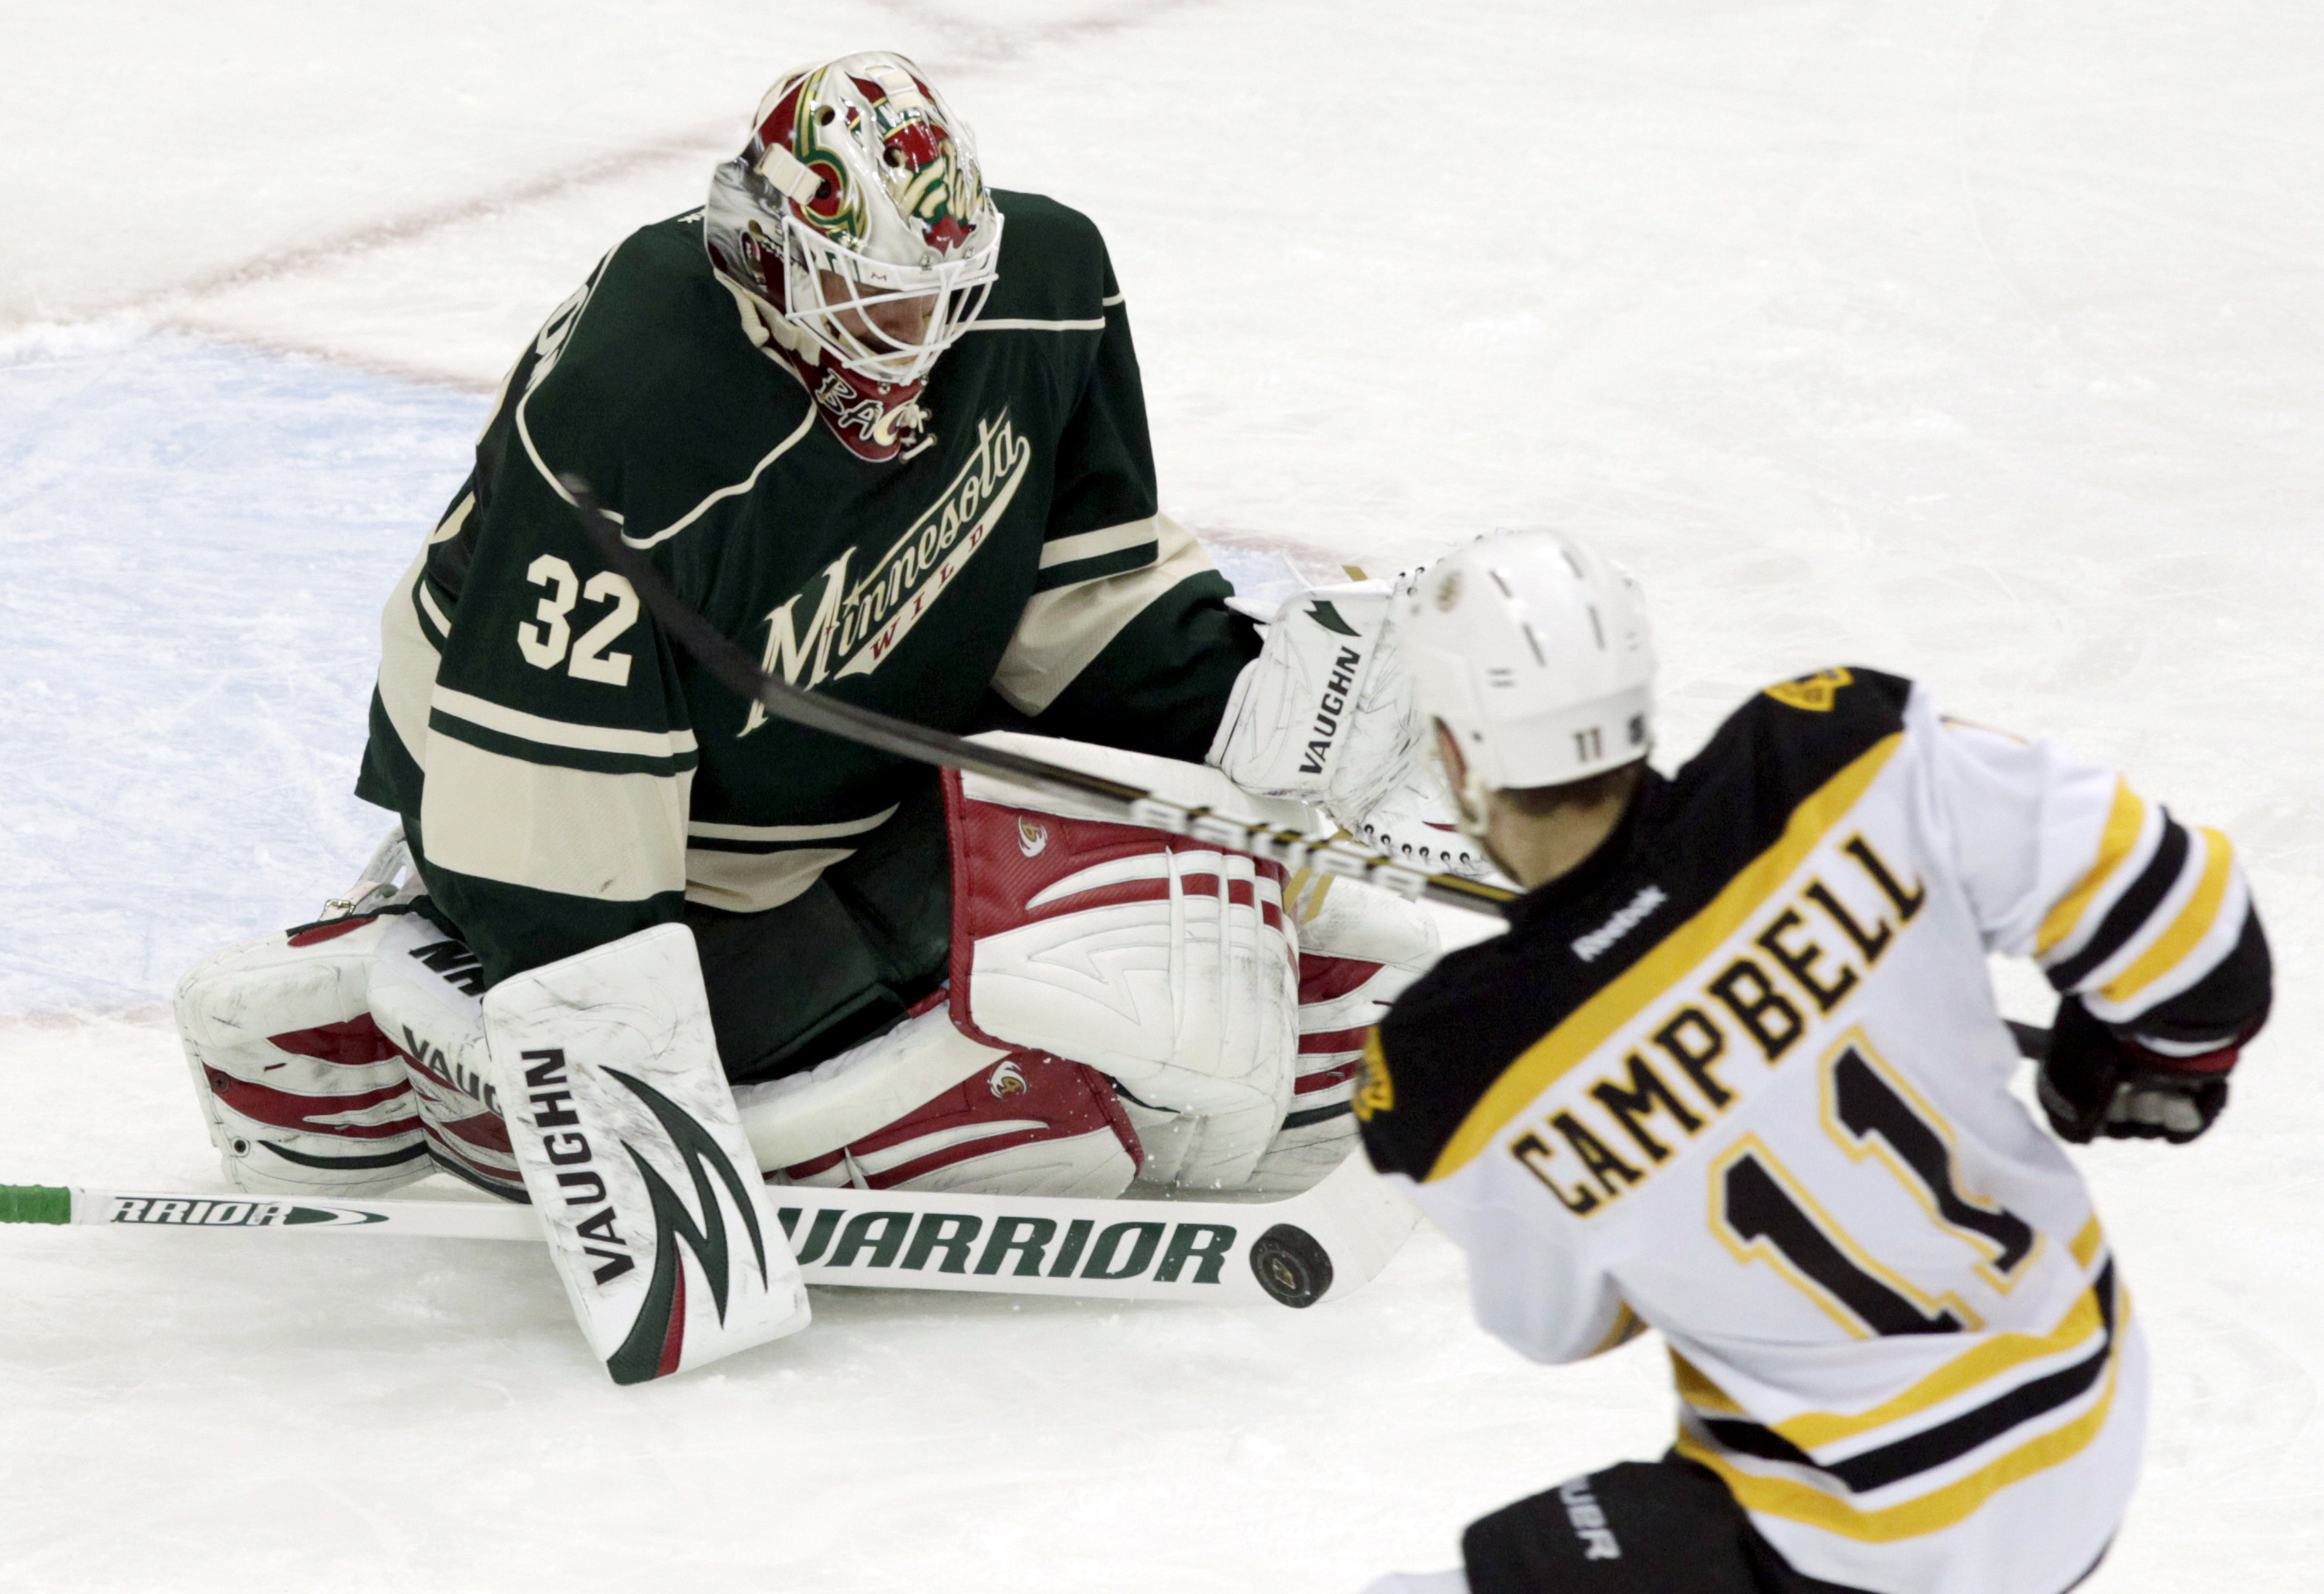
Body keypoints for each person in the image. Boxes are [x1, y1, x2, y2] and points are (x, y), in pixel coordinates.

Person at [175, 51, 1436, 1210]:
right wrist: (616, 1064)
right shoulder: (636, 409)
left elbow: (1072, 580)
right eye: (871, 298)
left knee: (1177, 900)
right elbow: (541, 799)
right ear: (764, 247)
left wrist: (1235, 717)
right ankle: (398, 1027)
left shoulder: (1040, 289)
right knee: (1059, 949)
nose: (913, 343)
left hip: (839, 764)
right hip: (590, 810)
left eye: (940, 296)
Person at [1352, 530, 2271, 1594]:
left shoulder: (1450, 1064)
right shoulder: (1837, 755)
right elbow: (2195, 932)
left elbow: (1562, 1326)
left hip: (1849, 1544)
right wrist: (2146, 1057)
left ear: (1460, 753)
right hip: (2086, 1429)